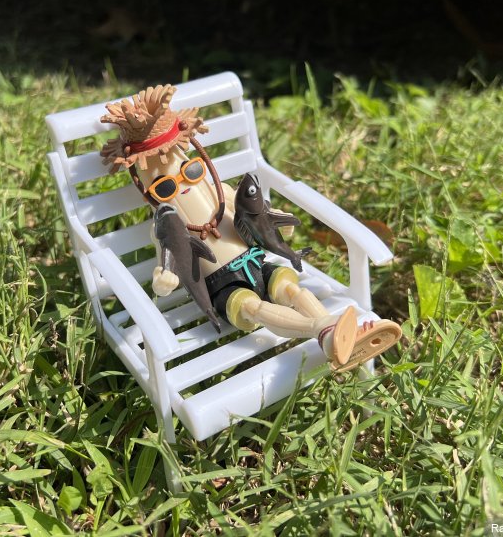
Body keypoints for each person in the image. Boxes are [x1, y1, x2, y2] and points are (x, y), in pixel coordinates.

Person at [100, 84, 401, 371]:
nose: (183, 185)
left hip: (254, 261)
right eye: (165, 188)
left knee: (290, 289)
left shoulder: (221, 193)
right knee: (253, 308)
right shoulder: (166, 223)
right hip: (220, 286)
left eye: (191, 171)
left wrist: (276, 218)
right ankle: (323, 331)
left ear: (199, 162)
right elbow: (167, 258)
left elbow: (256, 212)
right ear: (149, 193)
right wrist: (164, 279)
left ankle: (334, 332)